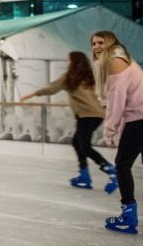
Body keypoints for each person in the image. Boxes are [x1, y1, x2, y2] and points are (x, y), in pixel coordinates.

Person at [19, 51, 116, 192]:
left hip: (87, 115)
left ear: (74, 62)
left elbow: (51, 89)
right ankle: (84, 175)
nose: (67, 62)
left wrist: (31, 94)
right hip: (96, 115)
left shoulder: (70, 77)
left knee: (84, 146)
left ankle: (109, 169)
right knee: (77, 142)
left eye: (68, 60)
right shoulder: (90, 77)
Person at [91, 31, 143, 234]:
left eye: (101, 42)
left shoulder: (114, 62)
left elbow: (116, 100)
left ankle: (128, 217)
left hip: (142, 118)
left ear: (110, 43)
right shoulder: (124, 57)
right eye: (93, 43)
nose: (96, 47)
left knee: (122, 164)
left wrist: (110, 129)